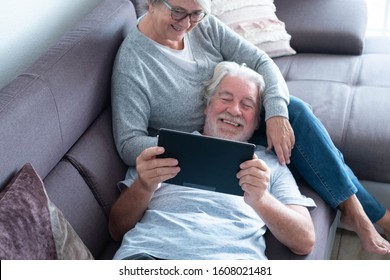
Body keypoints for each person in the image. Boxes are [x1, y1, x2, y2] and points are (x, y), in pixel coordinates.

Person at [111, 0, 390, 254]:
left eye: (196, 13)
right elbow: (128, 143)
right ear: (150, 3)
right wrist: (191, 149)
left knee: (295, 112)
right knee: (296, 117)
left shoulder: (203, 24)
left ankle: (357, 211)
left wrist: (276, 115)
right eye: (178, 12)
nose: (187, 24)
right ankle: (365, 212)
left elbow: (260, 61)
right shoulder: (133, 62)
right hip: (196, 141)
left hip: (231, 124)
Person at [109, 61, 316, 259]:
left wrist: (261, 199)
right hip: (149, 258)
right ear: (206, 107)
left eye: (247, 105)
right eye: (225, 99)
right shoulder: (164, 149)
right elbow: (116, 229)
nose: (234, 110)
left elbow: (304, 240)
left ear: (256, 122)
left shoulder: (269, 165)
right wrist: (144, 186)